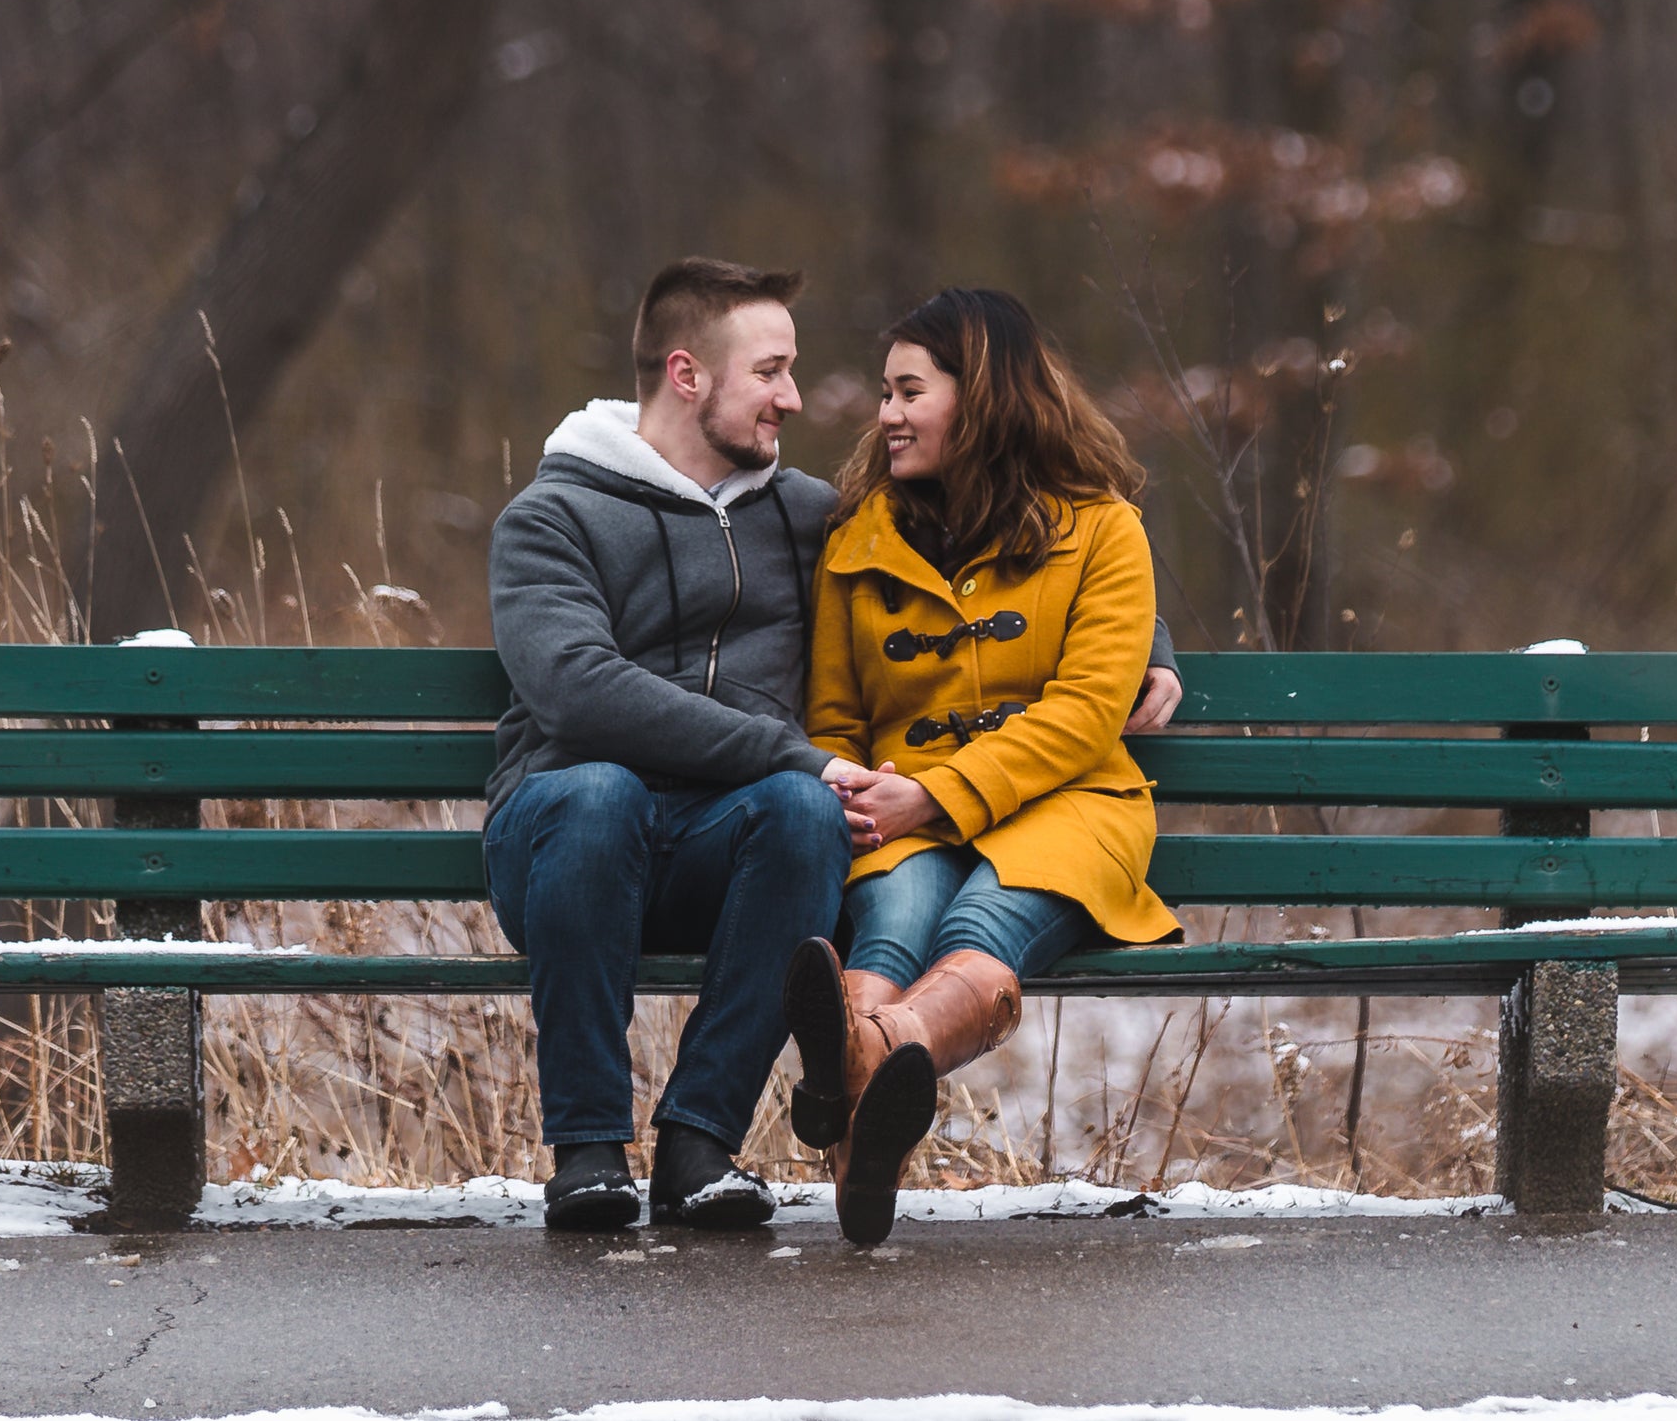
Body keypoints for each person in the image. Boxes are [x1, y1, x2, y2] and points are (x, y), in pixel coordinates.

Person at [484, 259, 1181, 1234]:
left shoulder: (809, 515)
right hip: (569, 841)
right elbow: (576, 690)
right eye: (771, 371)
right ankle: (589, 1151)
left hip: (719, 841)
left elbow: (1007, 528)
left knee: (804, 813)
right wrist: (797, 752)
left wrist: (1152, 645)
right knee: (604, 791)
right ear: (688, 375)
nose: (796, 398)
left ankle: (699, 1146)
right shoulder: (551, 517)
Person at [782, 287, 1186, 1247]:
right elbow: (835, 718)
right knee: (898, 919)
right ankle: (875, 1098)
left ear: (986, 396)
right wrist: (857, 789)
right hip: (897, 806)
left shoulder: (1103, 530)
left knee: (978, 918)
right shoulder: (857, 540)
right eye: (884, 392)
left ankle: (858, 1062)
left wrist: (937, 793)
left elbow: (1089, 712)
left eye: (909, 391)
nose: (885, 414)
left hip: (1069, 800)